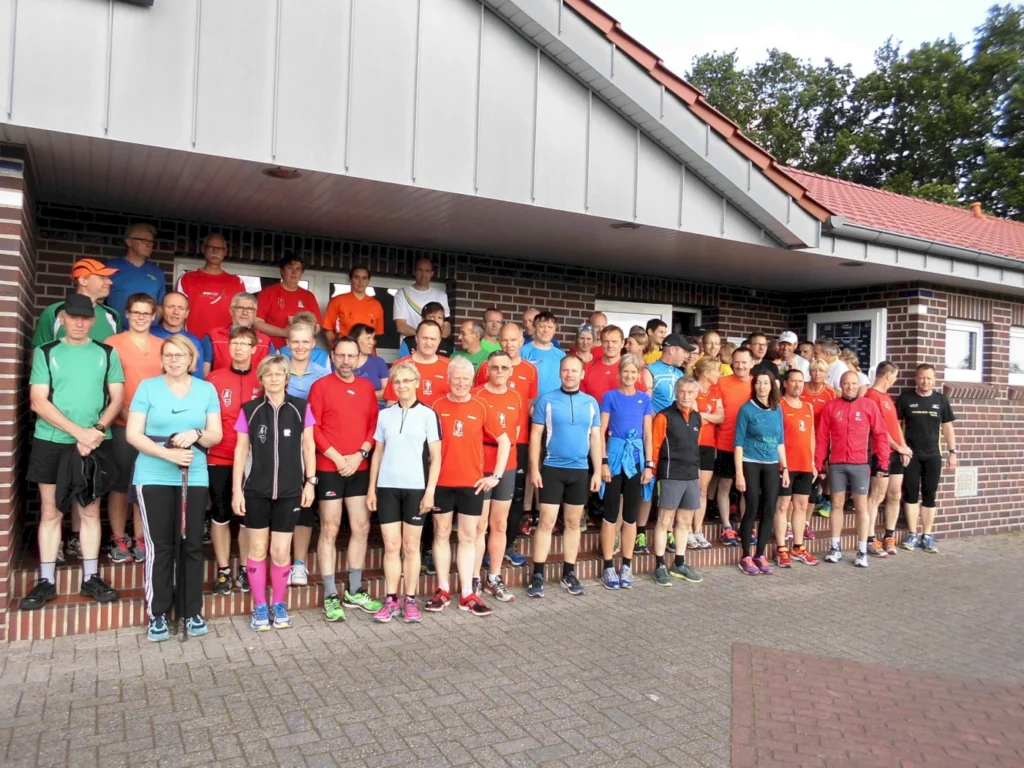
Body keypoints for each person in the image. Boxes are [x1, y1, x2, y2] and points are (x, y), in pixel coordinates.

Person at [21, 293, 124, 611]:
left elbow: (117, 398)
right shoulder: (46, 352)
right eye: (73, 317)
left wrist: (93, 432)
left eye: (86, 318)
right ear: (62, 318)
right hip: (52, 442)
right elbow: (38, 401)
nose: (80, 323)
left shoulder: (107, 353)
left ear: (93, 321)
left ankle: (91, 577)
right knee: (51, 513)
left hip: (93, 444)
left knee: (91, 512)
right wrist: (80, 432)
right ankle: (46, 581)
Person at [127, 334, 222, 640]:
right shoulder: (148, 388)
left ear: (191, 359)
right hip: (153, 475)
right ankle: (158, 613)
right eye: (168, 355)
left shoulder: (206, 389)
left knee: (192, 544)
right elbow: (133, 434)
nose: (174, 360)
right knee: (160, 546)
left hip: (192, 476)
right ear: (162, 358)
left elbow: (215, 435)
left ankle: (191, 610)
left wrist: (196, 433)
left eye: (180, 355)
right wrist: (167, 453)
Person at [231, 355, 316, 631]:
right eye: (268, 374)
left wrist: (310, 483)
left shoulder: (302, 408)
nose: (274, 378)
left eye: (279, 373)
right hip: (256, 490)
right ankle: (259, 606)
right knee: (257, 548)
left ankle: (279, 604)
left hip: (291, 491)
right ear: (262, 378)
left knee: (280, 551)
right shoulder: (250, 409)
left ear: (287, 378)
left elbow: (309, 448)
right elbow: (241, 450)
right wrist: (237, 490)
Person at [425, 357, 509, 617]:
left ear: (472, 381)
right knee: (440, 534)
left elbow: (505, 441)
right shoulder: (435, 407)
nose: (461, 382)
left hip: (472, 484)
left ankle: (466, 593)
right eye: (456, 377)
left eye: (465, 378)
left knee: (469, 537)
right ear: (448, 379)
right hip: (441, 483)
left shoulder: (481, 405)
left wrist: (495, 476)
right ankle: (442, 589)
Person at [309, 337, 383, 621]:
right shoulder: (321, 386)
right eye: (340, 355)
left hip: (359, 467)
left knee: (361, 526)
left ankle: (354, 590)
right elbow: (312, 427)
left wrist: (360, 455)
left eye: (351, 356)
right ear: (332, 356)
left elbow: (374, 425)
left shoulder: (366, 388)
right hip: (330, 467)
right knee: (329, 528)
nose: (345, 361)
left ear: (359, 357)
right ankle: (330, 593)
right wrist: (338, 458)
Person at [366, 363, 442, 623]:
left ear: (417, 383)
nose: (402, 386)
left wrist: (430, 492)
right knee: (391, 546)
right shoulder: (385, 415)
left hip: (416, 489)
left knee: (410, 547)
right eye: (397, 382)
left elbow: (436, 457)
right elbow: (377, 454)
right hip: (387, 488)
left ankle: (410, 600)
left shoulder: (428, 415)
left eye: (407, 381)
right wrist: (371, 489)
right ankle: (391, 600)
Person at [527, 356, 602, 598]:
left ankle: (568, 572)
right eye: (565, 370)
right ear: (560, 373)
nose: (569, 374)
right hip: (551, 468)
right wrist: (534, 468)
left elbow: (595, 438)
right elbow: (536, 436)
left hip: (579, 470)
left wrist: (598, 471)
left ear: (582, 374)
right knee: (546, 522)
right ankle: (537, 573)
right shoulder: (546, 400)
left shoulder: (591, 403)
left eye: (574, 371)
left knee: (573, 523)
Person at [106, 293, 164, 564]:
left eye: (147, 313)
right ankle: (119, 538)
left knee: (144, 483)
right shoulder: (112, 344)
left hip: (155, 427)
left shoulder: (163, 345)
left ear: (154, 316)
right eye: (136, 312)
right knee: (120, 483)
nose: (141, 317)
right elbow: (107, 389)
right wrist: (130, 418)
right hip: (122, 423)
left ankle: (141, 537)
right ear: (127, 314)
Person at [205, 326, 262, 595]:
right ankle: (224, 570)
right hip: (220, 456)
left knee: (249, 517)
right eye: (234, 343)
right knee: (220, 515)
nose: (238, 347)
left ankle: (247, 569)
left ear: (254, 348)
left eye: (244, 343)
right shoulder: (214, 378)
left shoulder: (263, 379)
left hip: (253, 461)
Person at [816, 371, 890, 568]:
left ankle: (862, 550)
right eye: (846, 383)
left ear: (858, 385)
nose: (850, 387)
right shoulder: (831, 406)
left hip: (860, 464)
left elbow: (881, 435)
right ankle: (835, 547)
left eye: (853, 383)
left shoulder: (868, 405)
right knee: (836, 504)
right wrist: (819, 462)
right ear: (840, 385)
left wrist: (883, 462)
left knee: (861, 506)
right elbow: (822, 436)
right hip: (837, 464)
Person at [478, 322, 538, 548]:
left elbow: (530, 406)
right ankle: (480, 547)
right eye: (504, 340)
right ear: (498, 341)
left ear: (522, 342)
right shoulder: (487, 367)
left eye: (514, 340)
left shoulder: (531, 370)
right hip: (486, 446)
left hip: (517, 444)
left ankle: (507, 546)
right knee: (483, 502)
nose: (509, 344)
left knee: (514, 498)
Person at [281, 321, 331, 586]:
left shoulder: (323, 374)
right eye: (295, 341)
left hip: (310, 448)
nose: (300, 346)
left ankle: (298, 564)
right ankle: (280, 561)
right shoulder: (276, 369)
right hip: (278, 448)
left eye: (305, 342)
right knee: (278, 507)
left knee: (304, 508)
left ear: (313, 344)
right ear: (287, 344)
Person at [598, 355, 654, 590]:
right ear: (619, 373)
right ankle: (609, 564)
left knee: (630, 514)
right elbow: (601, 431)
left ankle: (627, 564)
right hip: (615, 455)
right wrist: (602, 462)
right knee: (611, 512)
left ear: (639, 374)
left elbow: (648, 435)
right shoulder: (610, 397)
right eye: (626, 372)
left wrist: (649, 464)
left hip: (636, 458)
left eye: (634, 372)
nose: (630, 376)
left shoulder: (644, 399)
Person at [474, 351, 525, 604]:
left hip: (506, 466)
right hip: (482, 466)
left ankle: (494, 576)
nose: (500, 372)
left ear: (511, 371)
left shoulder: (516, 397)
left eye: (505, 367)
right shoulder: (477, 395)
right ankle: (473, 579)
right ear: (487, 369)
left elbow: (513, 434)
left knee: (500, 524)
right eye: (495, 367)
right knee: (478, 526)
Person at [636, 333, 693, 550]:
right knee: (648, 483)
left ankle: (668, 530)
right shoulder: (649, 371)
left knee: (671, 486)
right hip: (655, 435)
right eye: (684, 350)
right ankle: (640, 532)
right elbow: (646, 407)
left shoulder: (679, 373)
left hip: (676, 438)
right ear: (672, 349)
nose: (687, 355)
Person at [650, 377, 705, 586]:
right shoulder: (664, 416)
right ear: (676, 392)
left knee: (684, 522)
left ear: (695, 394)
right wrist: (652, 471)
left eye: (690, 392)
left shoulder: (697, 418)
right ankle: (660, 565)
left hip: (691, 474)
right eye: (682, 392)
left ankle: (679, 563)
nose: (686, 396)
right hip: (670, 473)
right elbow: (655, 447)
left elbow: (696, 445)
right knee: (665, 521)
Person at [898, 363, 957, 554]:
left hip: (933, 455)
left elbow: (948, 428)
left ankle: (928, 535)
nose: (925, 381)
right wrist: (902, 448)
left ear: (934, 379)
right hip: (911, 456)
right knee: (911, 494)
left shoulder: (941, 400)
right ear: (916, 378)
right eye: (922, 377)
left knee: (930, 494)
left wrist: (953, 452)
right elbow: (897, 425)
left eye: (929, 378)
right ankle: (913, 534)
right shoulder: (906, 398)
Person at [734, 370, 788, 575]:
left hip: (772, 463)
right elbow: (738, 443)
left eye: (766, 383)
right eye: (758, 383)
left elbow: (780, 441)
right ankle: (746, 555)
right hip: (750, 463)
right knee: (752, 507)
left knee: (769, 509)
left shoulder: (777, 409)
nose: (762, 387)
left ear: (771, 386)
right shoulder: (746, 409)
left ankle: (760, 554)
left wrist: (785, 468)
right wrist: (739, 473)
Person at [864, 361, 913, 557]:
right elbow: (879, 430)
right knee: (876, 496)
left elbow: (894, 425)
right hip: (880, 453)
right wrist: (897, 446)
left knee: (895, 495)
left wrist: (904, 448)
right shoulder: (871, 396)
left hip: (895, 455)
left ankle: (889, 536)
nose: (895, 380)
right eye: (895, 376)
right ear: (888, 375)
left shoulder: (888, 398)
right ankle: (869, 538)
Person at [774, 370, 819, 567]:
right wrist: (782, 464)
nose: (798, 385)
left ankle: (798, 547)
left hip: (804, 464)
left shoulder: (808, 406)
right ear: (786, 383)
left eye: (801, 382)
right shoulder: (778, 406)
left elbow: (811, 436)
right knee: (783, 505)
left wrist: (812, 462)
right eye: (794, 381)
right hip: (785, 465)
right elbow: (776, 438)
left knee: (801, 506)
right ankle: (781, 548)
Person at [715, 347, 754, 545]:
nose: (740, 366)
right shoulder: (722, 382)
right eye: (737, 362)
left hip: (751, 446)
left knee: (747, 488)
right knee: (725, 484)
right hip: (725, 441)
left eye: (744, 362)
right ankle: (727, 526)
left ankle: (746, 526)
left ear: (752, 363)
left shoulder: (758, 384)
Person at [33, 259, 121, 346]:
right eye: (102, 277)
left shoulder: (113, 315)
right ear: (83, 280)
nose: (110, 282)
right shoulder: (54, 312)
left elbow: (118, 354)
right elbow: (38, 352)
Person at [175, 233, 245, 339]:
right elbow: (177, 313)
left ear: (225, 252)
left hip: (226, 344)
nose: (215, 251)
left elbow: (243, 316)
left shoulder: (237, 282)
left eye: (220, 248)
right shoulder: (187, 279)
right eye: (211, 247)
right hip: (193, 343)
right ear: (203, 249)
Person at [254, 253, 323, 346]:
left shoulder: (309, 296)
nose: (294, 272)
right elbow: (257, 322)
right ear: (282, 271)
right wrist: (283, 332)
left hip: (300, 350)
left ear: (301, 273)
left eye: (298, 269)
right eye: (290, 268)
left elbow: (317, 326)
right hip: (272, 349)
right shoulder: (267, 292)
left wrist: (301, 330)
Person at [691, 356, 724, 550]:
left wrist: (705, 416)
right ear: (705, 373)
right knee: (691, 490)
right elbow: (695, 419)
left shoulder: (715, 390)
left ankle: (697, 530)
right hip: (693, 444)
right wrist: (708, 417)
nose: (719, 374)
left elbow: (722, 417)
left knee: (703, 490)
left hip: (709, 445)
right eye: (716, 370)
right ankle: (685, 529)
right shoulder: (693, 389)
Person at [106, 223, 166, 323]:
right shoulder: (110, 268)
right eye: (144, 240)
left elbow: (161, 305)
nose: (149, 244)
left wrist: (154, 320)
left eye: (151, 241)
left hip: (149, 334)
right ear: (128, 241)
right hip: (117, 333)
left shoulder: (157, 272)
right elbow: (98, 301)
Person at [202, 292, 274, 375]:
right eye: (240, 308)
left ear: (255, 313)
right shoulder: (213, 337)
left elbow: (271, 373)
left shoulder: (266, 341)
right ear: (231, 311)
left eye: (250, 309)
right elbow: (204, 374)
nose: (245, 312)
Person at [801, 357, 837, 519]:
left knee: (822, 469)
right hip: (802, 436)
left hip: (822, 437)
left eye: (821, 371)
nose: (817, 373)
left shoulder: (830, 392)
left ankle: (825, 498)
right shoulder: (802, 388)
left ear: (827, 374)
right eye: (814, 370)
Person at [384, 320, 450, 407]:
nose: (428, 343)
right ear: (416, 338)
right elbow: (391, 402)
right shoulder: (401, 365)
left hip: (440, 420)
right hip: (409, 419)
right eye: (425, 338)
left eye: (433, 339)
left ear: (439, 341)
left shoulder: (450, 366)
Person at [582, 325, 649, 403]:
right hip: (595, 414)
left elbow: (642, 401)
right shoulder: (588, 367)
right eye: (606, 341)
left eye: (614, 342)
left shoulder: (632, 368)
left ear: (622, 343)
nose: (610, 345)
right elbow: (580, 399)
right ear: (601, 343)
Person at [150, 292, 207, 378]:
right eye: (170, 307)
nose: (176, 312)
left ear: (187, 313)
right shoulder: (148, 334)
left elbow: (197, 378)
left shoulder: (194, 342)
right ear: (161, 310)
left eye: (181, 308)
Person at [324, 265, 384, 345]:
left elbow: (377, 333)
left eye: (364, 278)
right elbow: (328, 329)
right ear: (350, 279)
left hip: (368, 354)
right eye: (357, 278)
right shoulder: (337, 301)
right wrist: (335, 350)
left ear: (368, 281)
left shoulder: (376, 305)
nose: (361, 281)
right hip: (346, 352)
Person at [393, 257, 450, 339]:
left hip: (434, 347)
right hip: (409, 346)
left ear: (432, 273)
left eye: (427, 271)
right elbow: (401, 326)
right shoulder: (402, 293)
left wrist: (437, 341)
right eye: (420, 270)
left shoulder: (441, 296)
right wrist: (425, 337)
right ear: (414, 272)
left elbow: (446, 325)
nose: (423, 275)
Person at [521, 311, 566, 396]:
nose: (546, 330)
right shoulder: (523, 352)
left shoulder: (561, 355)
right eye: (541, 326)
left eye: (550, 327)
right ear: (535, 328)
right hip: (530, 405)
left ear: (554, 331)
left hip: (554, 404)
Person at [351, 323, 389, 402]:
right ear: (355, 339)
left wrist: (360, 395)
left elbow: (387, 392)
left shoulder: (379, 362)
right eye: (368, 338)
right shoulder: (343, 363)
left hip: (376, 408)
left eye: (373, 338)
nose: (372, 342)